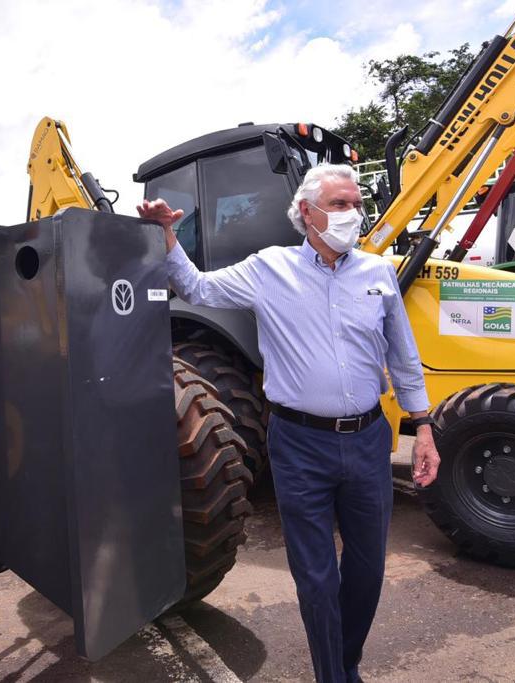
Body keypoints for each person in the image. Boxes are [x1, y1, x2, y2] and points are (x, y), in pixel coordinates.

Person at [138, 163, 440, 683]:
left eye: (356, 204)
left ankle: (346, 661)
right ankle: (332, 675)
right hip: (300, 445)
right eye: (342, 204)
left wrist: (424, 427)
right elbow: (195, 286)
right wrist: (166, 233)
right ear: (308, 212)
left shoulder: (378, 274)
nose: (354, 213)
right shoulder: (268, 270)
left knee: (367, 570)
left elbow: (404, 356)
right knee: (316, 577)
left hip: (368, 440)